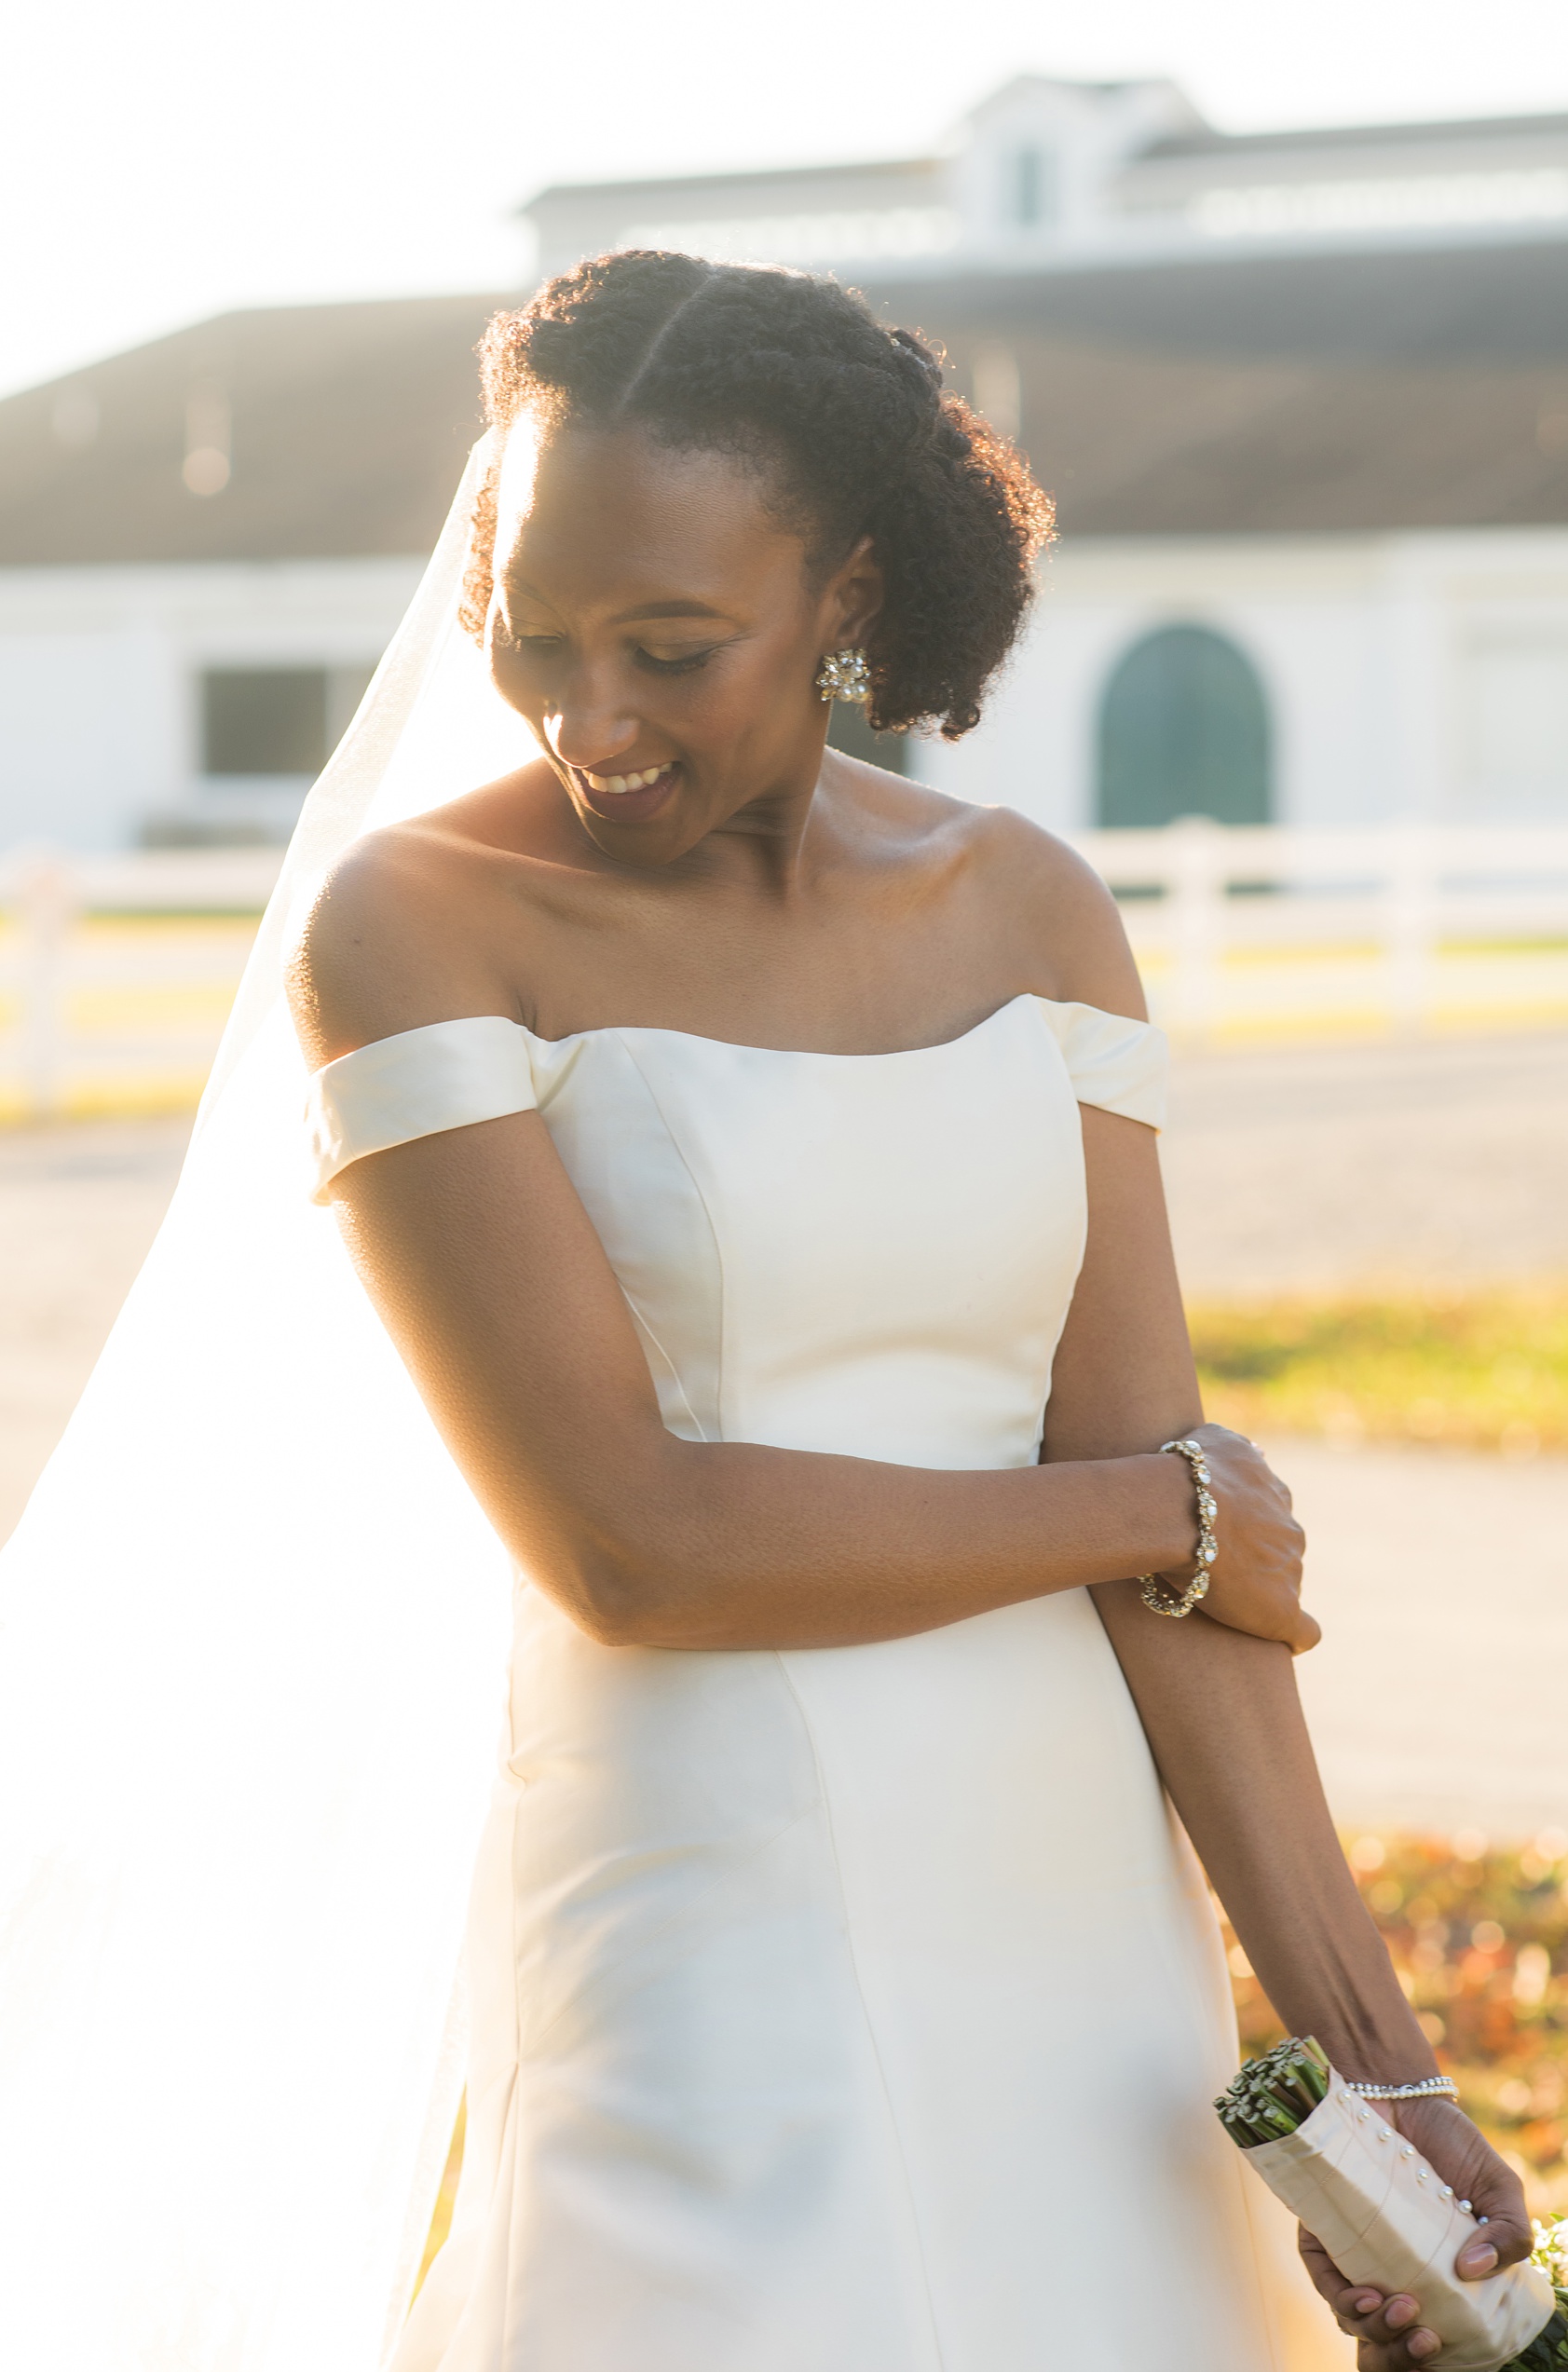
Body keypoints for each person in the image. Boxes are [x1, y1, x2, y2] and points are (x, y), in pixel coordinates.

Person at [283, 253, 1529, 2372]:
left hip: (1065, 1910)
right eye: (536, 642)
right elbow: (631, 1543)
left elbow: (1184, 1553)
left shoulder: (1029, 909)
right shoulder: (418, 928)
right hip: (699, 1900)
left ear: (846, 589)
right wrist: (1147, 1511)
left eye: (672, 647)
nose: (591, 720)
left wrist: (1377, 2065)